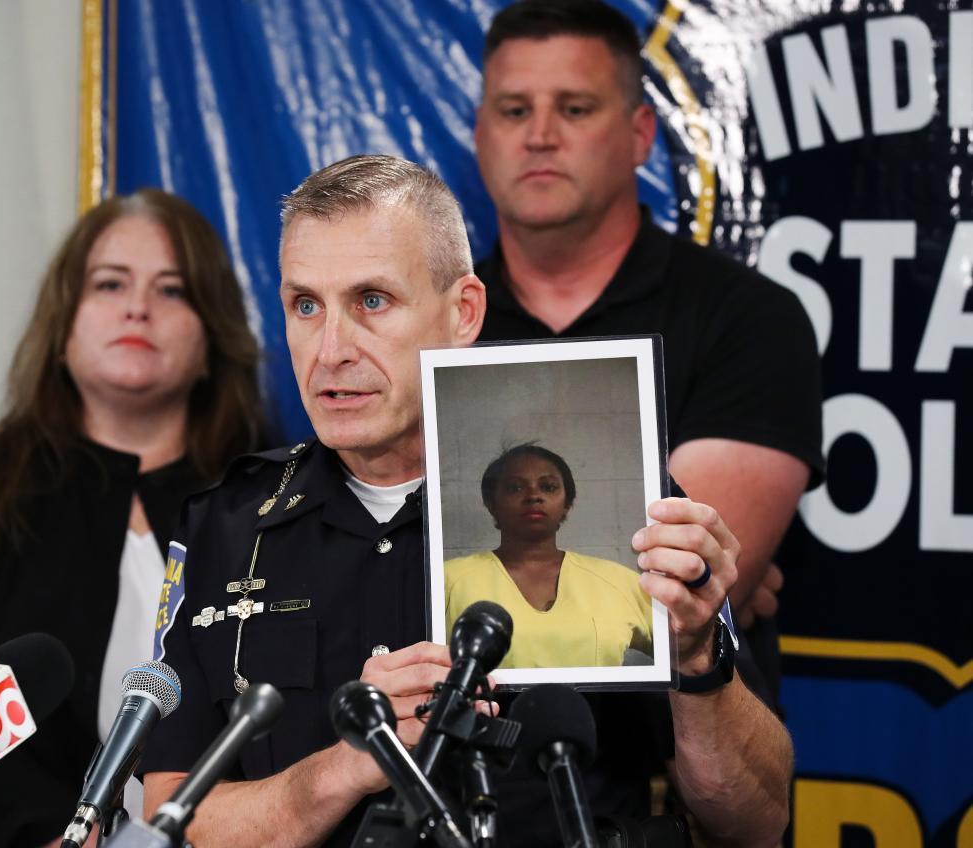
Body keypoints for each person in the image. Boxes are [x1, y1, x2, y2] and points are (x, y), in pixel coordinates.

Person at [139, 154, 792, 847]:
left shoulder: (635, 503)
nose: (330, 349)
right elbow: (169, 823)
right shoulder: (228, 524)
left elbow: (756, 819)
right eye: (306, 304)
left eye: (371, 301)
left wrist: (697, 661)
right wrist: (352, 762)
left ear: (463, 312)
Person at [0, 188, 267, 846]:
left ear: (213, 336)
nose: (138, 306)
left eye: (173, 290)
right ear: (64, 323)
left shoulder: (277, 499)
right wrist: (47, 833)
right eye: (110, 284)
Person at [471, 0, 825, 694]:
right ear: (479, 135)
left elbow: (677, 605)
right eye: (514, 111)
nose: (539, 135)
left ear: (639, 134)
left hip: (676, 776)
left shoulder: (750, 319)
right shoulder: (432, 322)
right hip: (460, 777)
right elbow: (373, 565)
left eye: (574, 109)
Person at [445, 444, 653, 669]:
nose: (534, 496)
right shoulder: (448, 580)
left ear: (567, 504)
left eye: (548, 487)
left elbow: (686, 655)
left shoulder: (620, 582)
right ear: (491, 504)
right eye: (515, 488)